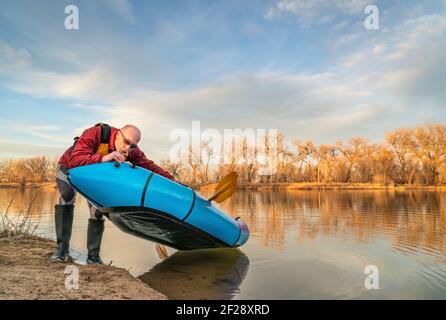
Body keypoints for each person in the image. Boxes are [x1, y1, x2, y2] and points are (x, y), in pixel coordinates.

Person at [51, 123, 175, 264]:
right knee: (67, 197)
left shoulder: (131, 150)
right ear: (118, 135)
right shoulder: (96, 133)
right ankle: (62, 250)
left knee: (98, 210)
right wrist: (105, 157)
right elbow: (75, 160)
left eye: (133, 145)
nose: (128, 148)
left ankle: (93, 257)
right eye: (126, 142)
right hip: (69, 168)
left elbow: (150, 166)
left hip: (95, 176)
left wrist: (174, 182)